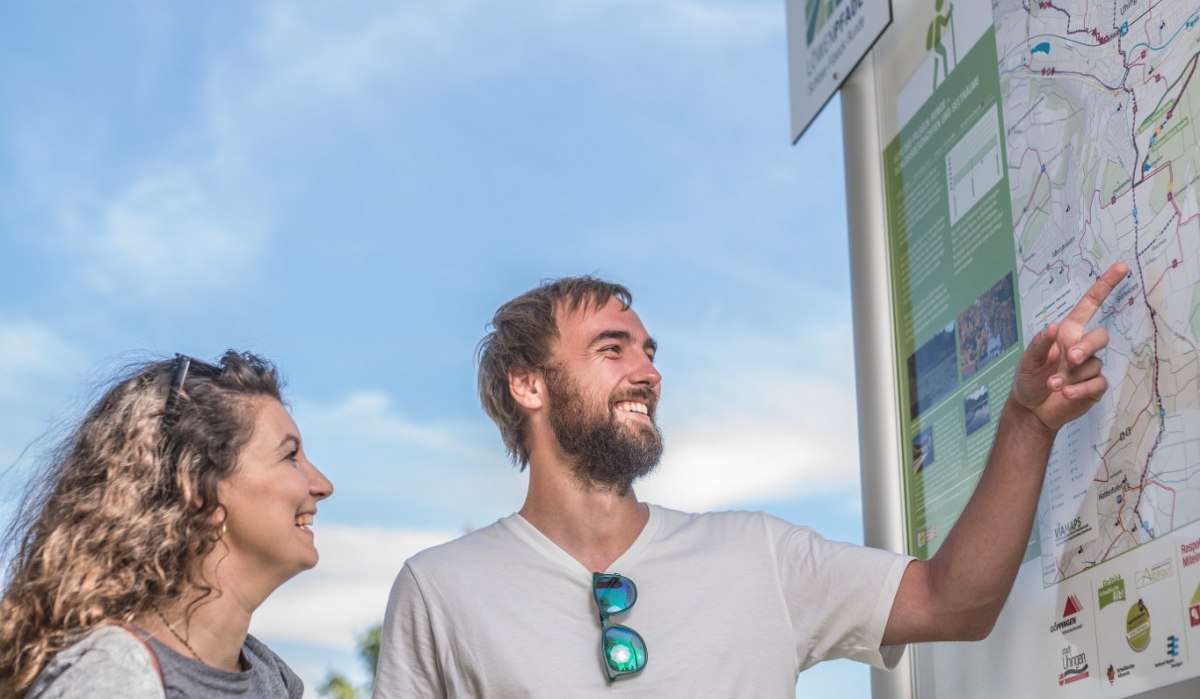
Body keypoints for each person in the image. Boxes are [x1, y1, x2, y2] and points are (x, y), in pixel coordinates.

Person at [373, 263, 1127, 697]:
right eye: (612, 349)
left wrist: (1029, 421)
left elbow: (953, 601)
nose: (648, 372)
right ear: (527, 386)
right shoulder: (441, 591)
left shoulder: (756, 554)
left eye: (649, 350)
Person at [0, 351, 334, 698]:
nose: (322, 485)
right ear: (198, 489)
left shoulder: (272, 679)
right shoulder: (113, 679)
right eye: (289, 456)